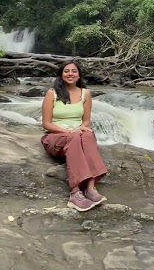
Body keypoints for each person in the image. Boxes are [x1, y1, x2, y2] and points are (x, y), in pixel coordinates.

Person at [40, 60, 109, 212]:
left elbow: (86, 121)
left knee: (88, 135)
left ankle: (90, 189)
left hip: (77, 134)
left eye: (74, 71)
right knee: (75, 137)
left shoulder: (85, 94)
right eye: (66, 71)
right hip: (55, 137)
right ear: (61, 74)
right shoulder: (52, 93)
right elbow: (46, 123)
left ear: (79, 75)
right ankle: (75, 192)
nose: (70, 74)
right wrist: (69, 132)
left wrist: (82, 128)